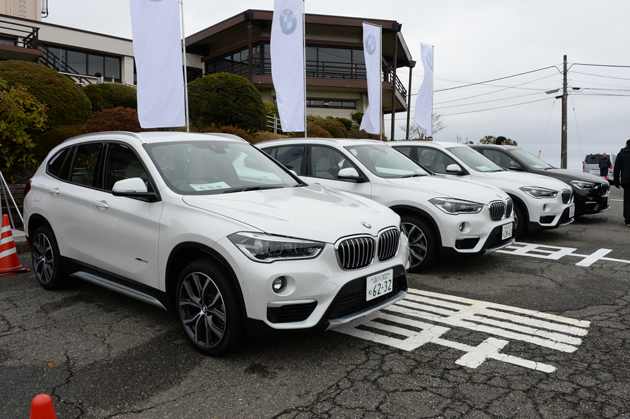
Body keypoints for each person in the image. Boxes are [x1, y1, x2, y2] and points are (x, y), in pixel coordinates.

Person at [613, 139, 630, 226]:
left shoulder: (621, 154)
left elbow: (617, 169)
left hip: (626, 180)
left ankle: (628, 219)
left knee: (627, 200)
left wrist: (616, 182)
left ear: (627, 145)